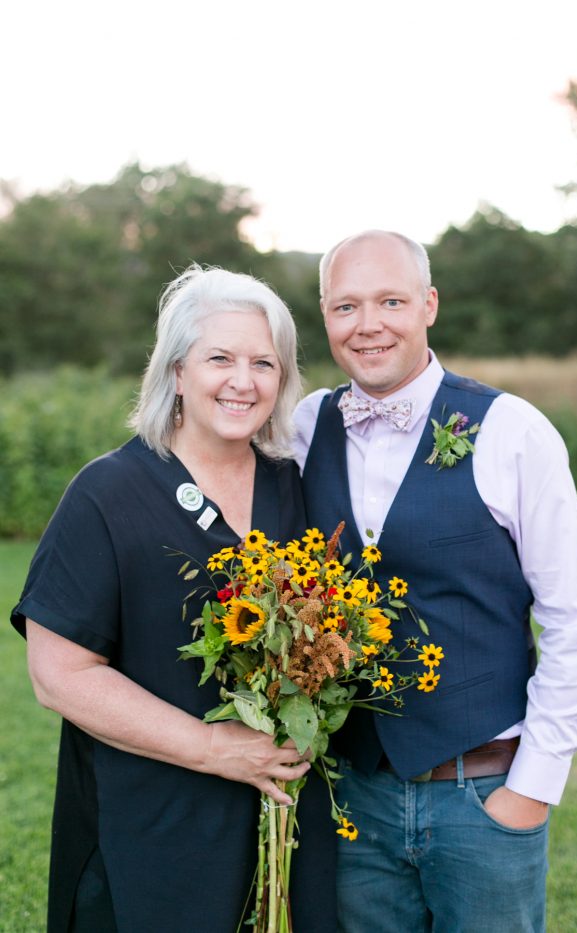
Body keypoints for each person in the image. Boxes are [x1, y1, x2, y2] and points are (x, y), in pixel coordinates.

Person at [12, 265, 337, 933]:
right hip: (151, 832)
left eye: (263, 362)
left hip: (288, 829)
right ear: (177, 371)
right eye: (220, 357)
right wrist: (217, 748)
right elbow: (59, 676)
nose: (242, 380)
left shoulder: (296, 490)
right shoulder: (108, 493)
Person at [293, 230, 577, 933]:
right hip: (353, 802)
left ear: (429, 304)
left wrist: (532, 788)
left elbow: (573, 620)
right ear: (325, 316)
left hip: (484, 791)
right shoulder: (303, 425)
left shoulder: (514, 431)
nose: (368, 324)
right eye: (346, 306)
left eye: (390, 300)